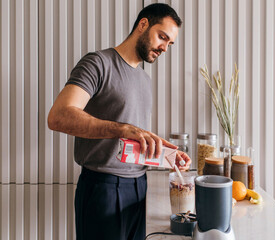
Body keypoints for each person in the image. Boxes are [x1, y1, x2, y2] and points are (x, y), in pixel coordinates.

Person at [47, 3, 191, 240]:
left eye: (170, 43)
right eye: (162, 37)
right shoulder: (98, 63)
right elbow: (59, 116)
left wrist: (166, 156)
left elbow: (132, 141)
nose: (164, 47)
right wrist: (123, 129)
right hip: (102, 188)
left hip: (139, 188)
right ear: (143, 24)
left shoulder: (144, 80)